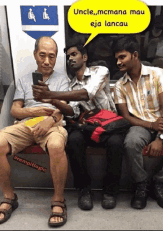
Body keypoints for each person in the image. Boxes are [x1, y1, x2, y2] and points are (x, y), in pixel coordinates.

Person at [0, 36, 69, 227]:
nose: (47, 61)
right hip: (25, 123)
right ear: (34, 55)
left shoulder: (62, 80)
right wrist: (33, 111)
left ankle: (58, 200)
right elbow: (15, 110)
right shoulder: (24, 81)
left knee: (57, 145)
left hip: (52, 123)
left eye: (52, 56)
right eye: (42, 55)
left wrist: (48, 120)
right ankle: (9, 197)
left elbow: (63, 109)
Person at [32, 40, 125, 210]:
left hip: (109, 125)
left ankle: (110, 191)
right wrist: (52, 100)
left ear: (85, 56)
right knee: (73, 139)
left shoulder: (101, 71)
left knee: (116, 143)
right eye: (68, 57)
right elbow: (73, 112)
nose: (70, 59)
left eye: (74, 55)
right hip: (89, 126)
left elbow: (87, 94)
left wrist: (51, 93)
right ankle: (84, 190)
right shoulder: (70, 85)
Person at [113, 36, 163, 211]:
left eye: (122, 57)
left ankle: (160, 183)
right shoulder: (120, 85)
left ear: (135, 55)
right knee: (131, 142)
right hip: (139, 125)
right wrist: (151, 126)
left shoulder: (158, 74)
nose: (118, 62)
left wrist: (160, 138)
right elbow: (126, 116)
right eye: (116, 58)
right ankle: (141, 184)